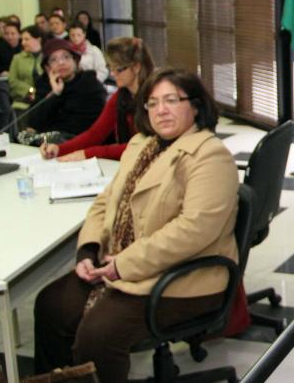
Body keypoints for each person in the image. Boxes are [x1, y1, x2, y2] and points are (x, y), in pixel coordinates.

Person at [33, 68, 239, 383]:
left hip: (185, 276)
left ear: (195, 105)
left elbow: (193, 231)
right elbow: (106, 200)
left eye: (171, 100)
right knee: (50, 306)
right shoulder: (141, 145)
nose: (161, 111)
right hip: (120, 262)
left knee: (99, 335)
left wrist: (124, 264)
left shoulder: (210, 156)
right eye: (152, 103)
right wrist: (88, 250)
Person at [41, 37, 154, 161]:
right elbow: (95, 133)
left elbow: (145, 145)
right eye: (111, 67)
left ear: (137, 67)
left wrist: (88, 153)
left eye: (119, 69)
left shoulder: (154, 96)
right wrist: (60, 149)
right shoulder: (122, 95)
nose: (112, 73)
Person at [18, 38, 106, 145]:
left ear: (75, 61)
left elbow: (86, 125)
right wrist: (55, 94)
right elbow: (33, 122)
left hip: (81, 145)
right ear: (47, 68)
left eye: (66, 57)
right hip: (47, 147)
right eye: (54, 60)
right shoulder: (43, 84)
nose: (61, 63)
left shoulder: (89, 83)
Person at [8, 25, 44, 108]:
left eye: (27, 39)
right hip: (22, 102)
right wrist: (31, 90)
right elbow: (12, 82)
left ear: (38, 39)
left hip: (44, 101)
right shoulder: (17, 58)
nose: (23, 43)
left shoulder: (48, 57)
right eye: (22, 39)